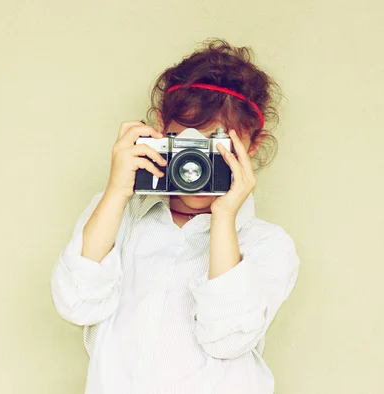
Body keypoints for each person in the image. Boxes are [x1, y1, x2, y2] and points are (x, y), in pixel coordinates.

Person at [50, 39, 301, 394]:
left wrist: (224, 218)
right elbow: (76, 303)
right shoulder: (117, 214)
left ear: (251, 147)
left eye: (217, 148)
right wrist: (117, 191)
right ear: (160, 132)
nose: (195, 166)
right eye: (186, 143)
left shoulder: (266, 244)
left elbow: (228, 340)